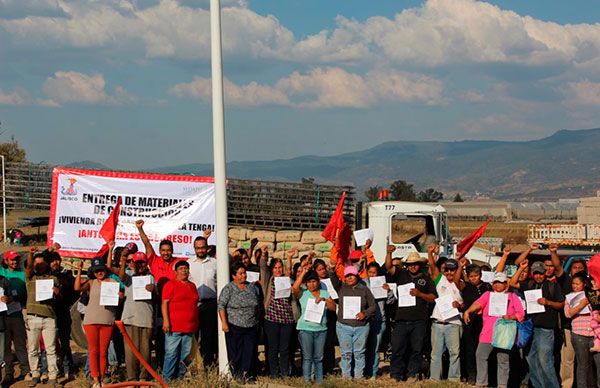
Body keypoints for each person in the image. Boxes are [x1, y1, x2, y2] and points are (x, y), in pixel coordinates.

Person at [509, 260, 565, 388]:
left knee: (545, 361)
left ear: (545, 273)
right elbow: (512, 283)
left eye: (540, 273)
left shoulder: (552, 286)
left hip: (546, 329)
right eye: (535, 273)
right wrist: (521, 268)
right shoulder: (529, 284)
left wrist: (548, 302)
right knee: (532, 360)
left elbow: (561, 304)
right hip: (530, 328)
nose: (538, 276)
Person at [463, 272, 525, 388]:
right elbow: (478, 304)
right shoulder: (487, 294)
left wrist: (510, 317)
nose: (498, 285)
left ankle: (502, 385)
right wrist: (468, 311)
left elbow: (521, 314)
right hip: (488, 332)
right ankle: (481, 383)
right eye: (495, 282)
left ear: (506, 284)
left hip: (504, 333)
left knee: (503, 360)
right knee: (480, 355)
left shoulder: (513, 297)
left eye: (501, 282)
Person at [385, 248, 437, 382]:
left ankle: (412, 374)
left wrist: (420, 294)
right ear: (406, 265)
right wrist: (389, 253)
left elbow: (433, 297)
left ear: (420, 264)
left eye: (415, 264)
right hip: (401, 319)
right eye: (410, 264)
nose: (412, 266)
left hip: (419, 320)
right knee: (397, 348)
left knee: (416, 349)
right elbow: (388, 266)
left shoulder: (426, 279)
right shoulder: (401, 274)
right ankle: (396, 374)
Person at [75, 254, 121, 388]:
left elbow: (121, 297)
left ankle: (103, 375)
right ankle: (95, 378)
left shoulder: (113, 283)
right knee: (93, 350)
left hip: (107, 320)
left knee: (104, 351)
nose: (99, 272)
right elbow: (77, 288)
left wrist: (120, 295)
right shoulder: (91, 283)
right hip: (91, 321)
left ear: (105, 270)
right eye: (96, 270)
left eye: (101, 269)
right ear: (93, 272)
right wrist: (79, 271)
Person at [292, 267, 336, 383]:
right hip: (305, 329)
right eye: (309, 282)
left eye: (314, 281)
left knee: (319, 357)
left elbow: (333, 308)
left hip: (321, 329)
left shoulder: (325, 293)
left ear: (318, 281)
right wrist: (304, 273)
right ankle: (307, 381)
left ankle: (319, 381)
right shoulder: (303, 293)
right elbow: (294, 288)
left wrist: (325, 301)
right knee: (307, 357)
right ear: (306, 283)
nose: (311, 284)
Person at [25, 247, 61, 388]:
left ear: (46, 264)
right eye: (36, 263)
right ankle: (35, 373)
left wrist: (57, 292)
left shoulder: (53, 279)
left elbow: (59, 298)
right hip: (33, 317)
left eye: (42, 263)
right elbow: (28, 267)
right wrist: (30, 254)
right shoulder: (30, 277)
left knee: (50, 349)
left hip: (49, 318)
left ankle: (53, 376)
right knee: (33, 349)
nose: (39, 265)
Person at [218, 262, 260, 381]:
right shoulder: (229, 288)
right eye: (240, 274)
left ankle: (248, 375)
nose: (243, 276)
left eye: (244, 273)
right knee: (236, 352)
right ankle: (237, 375)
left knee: (249, 351)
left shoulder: (252, 287)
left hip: (251, 325)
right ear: (234, 276)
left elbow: (257, 304)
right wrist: (224, 323)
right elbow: (221, 305)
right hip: (234, 325)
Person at [259, 248, 296, 378]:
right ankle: (274, 373)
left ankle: (285, 373)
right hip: (271, 319)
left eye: (280, 267)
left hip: (287, 319)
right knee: (273, 349)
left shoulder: (286, 279)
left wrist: (289, 257)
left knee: (285, 349)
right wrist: (264, 254)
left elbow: (288, 271)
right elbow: (263, 268)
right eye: (275, 267)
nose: (278, 270)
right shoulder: (268, 280)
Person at [335, 265, 377, 379]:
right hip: (344, 326)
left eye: (352, 275)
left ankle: (359, 378)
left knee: (359, 353)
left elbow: (373, 306)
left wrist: (365, 313)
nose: (349, 278)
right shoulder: (341, 288)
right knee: (346, 354)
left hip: (361, 327)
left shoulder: (364, 289)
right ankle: (346, 378)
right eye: (347, 276)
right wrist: (331, 268)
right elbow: (332, 278)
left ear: (357, 276)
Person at [120, 252, 156, 382]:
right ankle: (131, 378)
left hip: (146, 318)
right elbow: (121, 276)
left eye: (143, 262)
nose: (140, 265)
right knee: (130, 351)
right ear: (133, 264)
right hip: (130, 318)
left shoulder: (151, 277)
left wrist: (153, 289)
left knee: (145, 351)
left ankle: (143, 377)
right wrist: (124, 261)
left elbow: (156, 297)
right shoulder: (129, 276)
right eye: (137, 262)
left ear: (146, 264)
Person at [161, 260, 199, 383]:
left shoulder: (192, 285)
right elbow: (164, 303)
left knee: (185, 356)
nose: (184, 271)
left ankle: (179, 379)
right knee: (171, 355)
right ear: (176, 271)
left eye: (186, 268)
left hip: (189, 327)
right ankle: (167, 380)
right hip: (174, 327)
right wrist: (166, 321)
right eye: (181, 268)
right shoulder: (170, 284)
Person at [187, 230, 218, 368]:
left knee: (208, 336)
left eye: (202, 247)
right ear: (194, 249)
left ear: (207, 248)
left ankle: (207, 365)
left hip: (210, 304)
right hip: (193, 305)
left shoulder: (215, 263)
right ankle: (193, 364)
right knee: (192, 336)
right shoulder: (189, 264)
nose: (200, 250)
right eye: (198, 248)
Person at [430, 258, 464, 381]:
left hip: (454, 323)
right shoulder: (440, 280)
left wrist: (459, 305)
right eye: (447, 270)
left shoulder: (461, 283)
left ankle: (453, 379)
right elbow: (433, 267)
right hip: (438, 322)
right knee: (435, 353)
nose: (449, 272)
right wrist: (430, 253)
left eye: (452, 270)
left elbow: (464, 304)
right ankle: (434, 379)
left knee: (454, 353)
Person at [565, 272, 599, 388]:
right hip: (579, 334)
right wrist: (580, 305)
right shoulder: (569, 297)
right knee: (583, 366)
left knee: (597, 365)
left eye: (577, 284)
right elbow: (568, 314)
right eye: (573, 284)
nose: (575, 286)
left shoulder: (592, 294)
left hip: (596, 334)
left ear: (584, 284)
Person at [0, 250, 30, 384]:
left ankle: (25, 370)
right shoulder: (2, 273)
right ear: (5, 261)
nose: (15, 261)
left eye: (16, 259)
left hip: (17, 313)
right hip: (3, 315)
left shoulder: (22, 275)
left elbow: (25, 295)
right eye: (12, 259)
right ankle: (8, 373)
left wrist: (12, 298)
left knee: (20, 344)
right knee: (6, 346)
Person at [48, 250, 77, 380]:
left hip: (63, 312)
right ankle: (51, 368)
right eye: (53, 260)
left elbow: (74, 291)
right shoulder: (44, 275)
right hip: (48, 313)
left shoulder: (67, 275)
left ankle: (68, 368)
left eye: (57, 259)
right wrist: (49, 250)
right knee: (49, 344)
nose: (56, 262)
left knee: (65, 342)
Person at [460, 263, 491, 384]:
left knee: (483, 350)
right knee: (469, 350)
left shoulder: (487, 287)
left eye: (476, 275)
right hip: (470, 322)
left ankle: (484, 376)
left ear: (480, 275)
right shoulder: (466, 287)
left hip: (484, 323)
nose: (474, 278)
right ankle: (471, 375)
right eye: (471, 276)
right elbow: (457, 280)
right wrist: (459, 264)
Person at [364, 262, 396, 378]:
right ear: (367, 272)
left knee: (375, 348)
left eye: (374, 273)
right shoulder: (362, 283)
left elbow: (390, 302)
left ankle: (372, 372)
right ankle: (363, 371)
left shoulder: (382, 284)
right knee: (364, 347)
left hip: (379, 320)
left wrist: (388, 291)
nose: (372, 275)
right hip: (365, 320)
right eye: (370, 272)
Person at [312, 258, 337, 376]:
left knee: (329, 342)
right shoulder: (313, 283)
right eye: (319, 269)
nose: (322, 271)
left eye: (323, 269)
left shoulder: (330, 280)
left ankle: (329, 368)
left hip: (330, 314)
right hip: (317, 315)